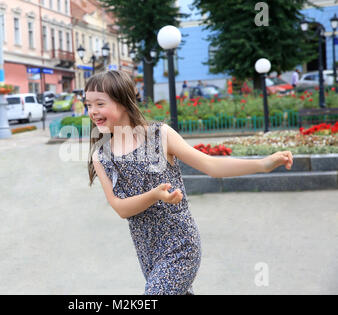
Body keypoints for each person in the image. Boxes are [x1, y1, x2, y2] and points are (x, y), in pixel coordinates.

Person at [85, 70, 294, 295]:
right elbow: (120, 208)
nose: (93, 112)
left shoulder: (159, 135)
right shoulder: (102, 156)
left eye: (100, 103)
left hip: (181, 244)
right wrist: (154, 195)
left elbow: (211, 165)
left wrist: (262, 164)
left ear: (123, 101)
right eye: (88, 105)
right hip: (147, 251)